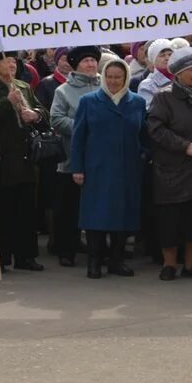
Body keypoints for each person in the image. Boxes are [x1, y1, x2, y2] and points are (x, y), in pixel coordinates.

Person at [144, 47, 192, 281]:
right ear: (178, 73)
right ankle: (169, 264)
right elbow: (155, 129)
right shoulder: (163, 96)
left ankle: (191, 265)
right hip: (172, 169)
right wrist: (185, 146)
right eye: (191, 70)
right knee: (170, 220)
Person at [70, 55, 145, 278]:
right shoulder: (89, 101)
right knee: (96, 217)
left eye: (118, 77)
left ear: (126, 78)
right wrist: (78, 168)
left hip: (127, 169)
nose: (113, 81)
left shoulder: (137, 102)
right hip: (97, 169)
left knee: (123, 217)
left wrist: (143, 155)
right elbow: (78, 138)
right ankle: (94, 261)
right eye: (109, 77)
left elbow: (145, 135)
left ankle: (117, 261)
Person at [0, 47, 46, 274]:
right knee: (2, 212)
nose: (12, 65)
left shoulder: (23, 86)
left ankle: (26, 256)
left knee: (25, 211)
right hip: (0, 159)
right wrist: (7, 101)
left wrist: (35, 114)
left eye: (14, 61)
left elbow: (43, 112)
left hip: (25, 159)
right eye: (7, 61)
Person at [48, 45, 101, 267]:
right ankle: (65, 249)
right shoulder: (64, 90)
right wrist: (83, 127)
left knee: (94, 206)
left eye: (93, 60)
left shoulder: (105, 85)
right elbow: (56, 119)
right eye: (85, 61)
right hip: (72, 157)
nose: (90, 64)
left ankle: (95, 247)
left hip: (99, 158)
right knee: (68, 208)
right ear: (76, 64)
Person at [136, 39, 175, 108]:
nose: (167, 58)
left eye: (170, 54)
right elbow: (150, 112)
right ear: (153, 60)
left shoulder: (182, 78)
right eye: (162, 55)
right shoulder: (147, 85)